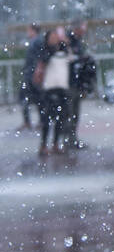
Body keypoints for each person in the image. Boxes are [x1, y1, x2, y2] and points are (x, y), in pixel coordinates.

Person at [35, 28, 73, 157]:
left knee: (61, 118)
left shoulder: (63, 50)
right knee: (47, 119)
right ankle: (44, 145)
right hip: (49, 88)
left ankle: (56, 143)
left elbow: (71, 57)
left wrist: (64, 44)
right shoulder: (45, 52)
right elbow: (43, 62)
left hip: (62, 87)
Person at [67, 21, 95, 149]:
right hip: (71, 83)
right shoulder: (69, 41)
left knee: (74, 113)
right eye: (82, 28)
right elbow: (71, 59)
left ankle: (71, 139)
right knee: (70, 112)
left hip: (77, 83)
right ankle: (69, 140)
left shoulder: (76, 41)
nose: (84, 31)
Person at [19, 24, 43, 130]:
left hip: (32, 75)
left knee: (35, 98)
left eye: (28, 30)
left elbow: (40, 57)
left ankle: (34, 122)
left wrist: (36, 71)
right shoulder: (35, 41)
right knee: (34, 98)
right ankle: (32, 121)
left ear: (33, 30)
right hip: (30, 74)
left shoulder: (36, 41)